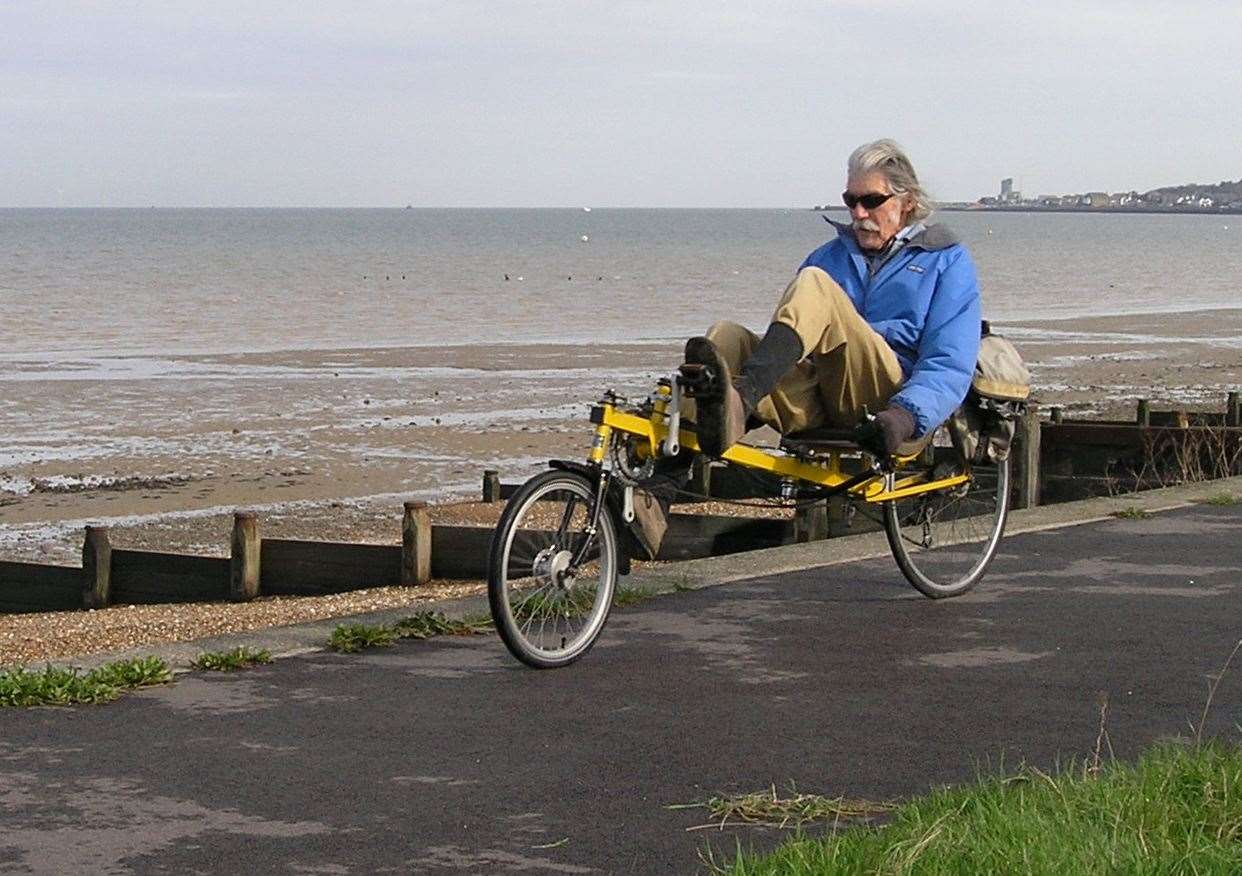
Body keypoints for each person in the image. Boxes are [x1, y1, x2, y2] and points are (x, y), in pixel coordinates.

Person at [629, 139, 982, 558]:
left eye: (871, 201)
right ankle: (660, 493)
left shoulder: (946, 260)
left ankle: (739, 401)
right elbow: (792, 338)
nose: (858, 214)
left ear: (906, 201)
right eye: (851, 201)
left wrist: (906, 416)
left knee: (816, 284)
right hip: (818, 396)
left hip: (885, 398)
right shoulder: (830, 255)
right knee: (725, 338)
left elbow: (950, 361)